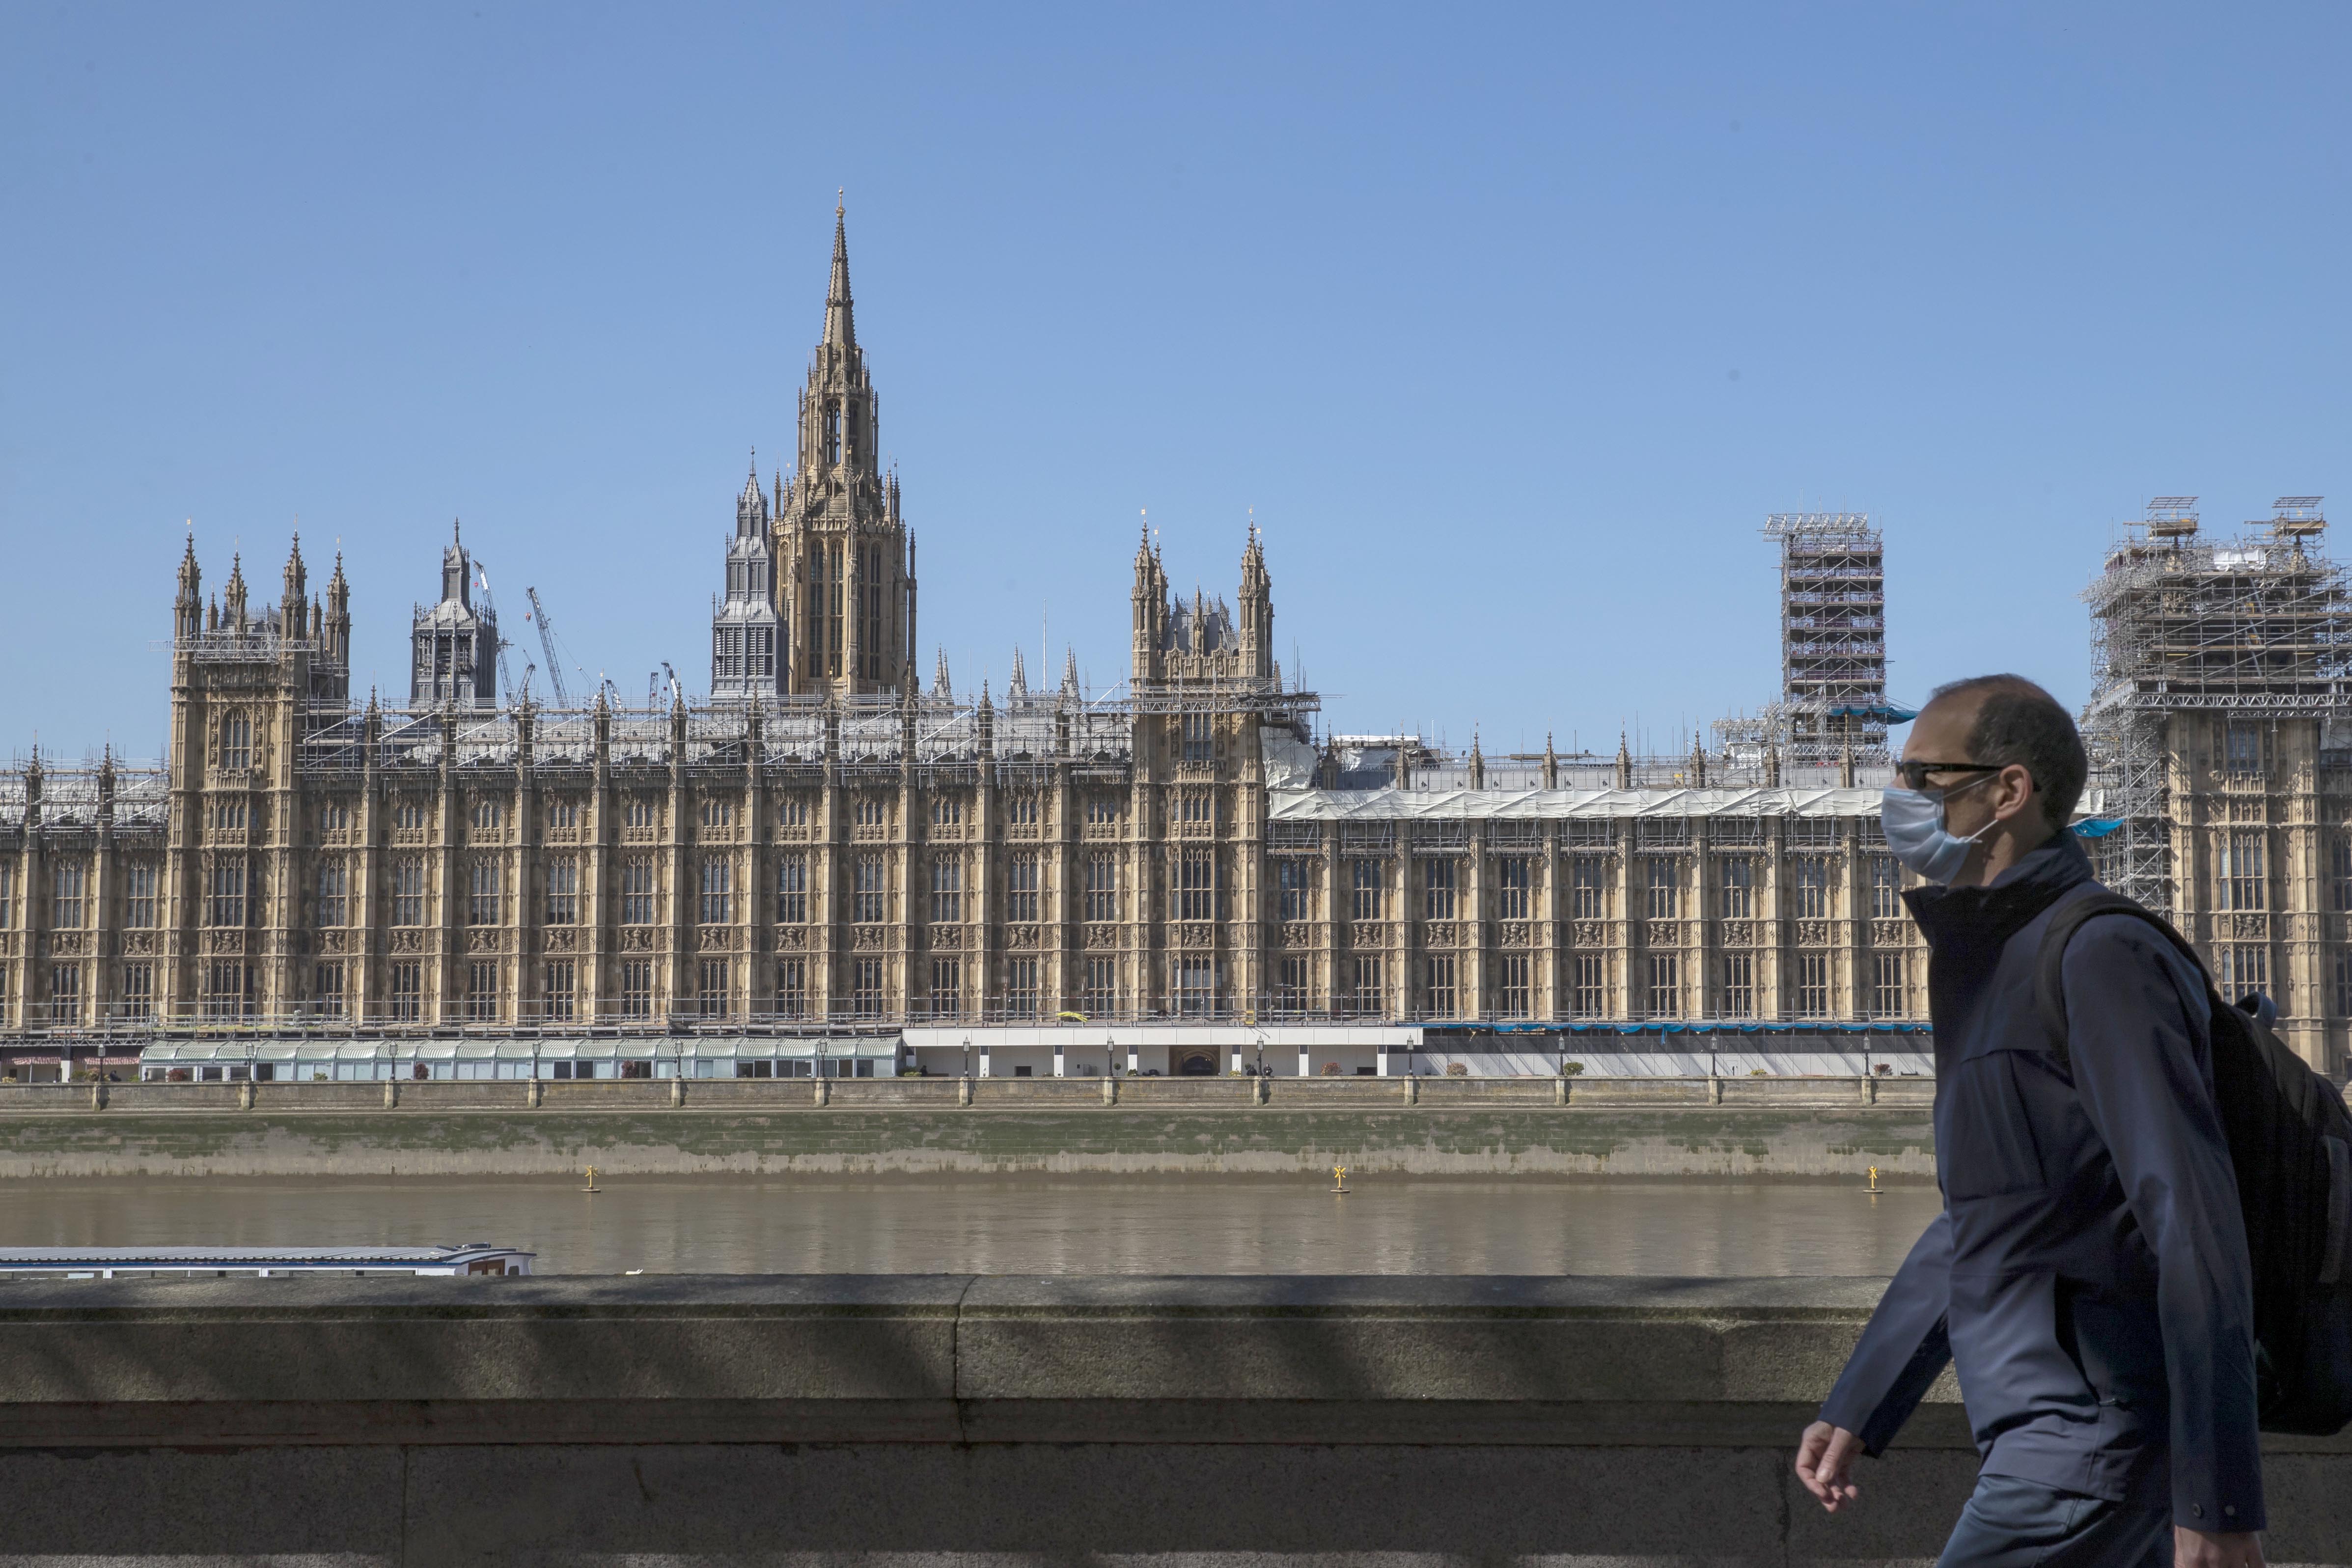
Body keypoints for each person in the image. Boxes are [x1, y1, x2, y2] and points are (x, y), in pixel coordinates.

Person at [1794, 675, 2265, 1568]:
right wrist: (1863, 1398)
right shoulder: (1988, 962)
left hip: (2094, 1439)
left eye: (1922, 779)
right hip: (2041, 1434)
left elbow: (2192, 1222)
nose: (1899, 802)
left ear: (2008, 792)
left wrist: (2218, 1494)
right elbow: (1993, 1215)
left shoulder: (2097, 954)